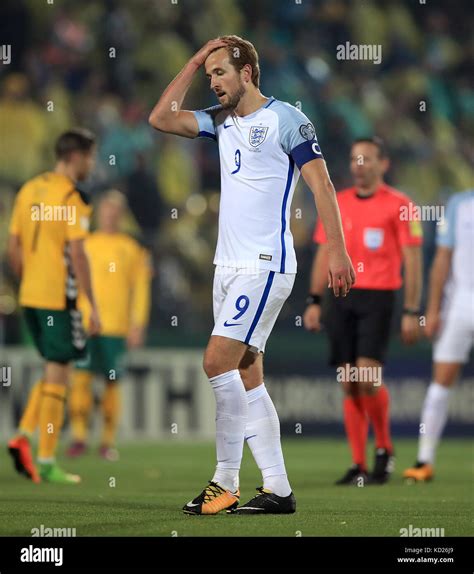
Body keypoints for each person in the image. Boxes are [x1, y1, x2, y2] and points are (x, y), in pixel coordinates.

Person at [149, 35, 355, 515]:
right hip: (228, 267)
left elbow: (322, 183)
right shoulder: (220, 123)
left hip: (264, 265)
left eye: (220, 73)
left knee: (216, 361)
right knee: (246, 373)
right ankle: (279, 490)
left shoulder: (287, 119)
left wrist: (339, 251)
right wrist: (196, 59)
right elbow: (160, 118)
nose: (213, 83)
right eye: (209, 76)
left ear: (247, 73)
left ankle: (224, 483)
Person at [304, 137, 423, 485]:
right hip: (341, 296)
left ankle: (384, 449)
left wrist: (412, 309)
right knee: (348, 382)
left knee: (366, 376)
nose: (360, 164)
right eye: (355, 158)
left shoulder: (401, 205)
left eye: (367, 158)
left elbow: (413, 261)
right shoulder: (336, 202)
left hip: (379, 297)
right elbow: (323, 253)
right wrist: (313, 300)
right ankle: (359, 464)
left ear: (383, 164)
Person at [7, 128, 100, 484]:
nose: (92, 164)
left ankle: (23, 437)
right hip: (59, 298)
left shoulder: (29, 189)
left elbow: (12, 247)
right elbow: (78, 252)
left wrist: (28, 282)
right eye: (91, 157)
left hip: (29, 295)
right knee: (60, 375)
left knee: (52, 370)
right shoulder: (72, 198)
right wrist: (91, 303)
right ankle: (44, 457)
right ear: (76, 156)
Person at [67, 190, 151, 461]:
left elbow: (140, 289)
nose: (111, 214)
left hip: (116, 326)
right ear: (99, 213)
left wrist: (138, 323)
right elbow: (73, 285)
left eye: (116, 210)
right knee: (80, 380)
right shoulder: (86, 244)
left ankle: (107, 441)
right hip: (86, 322)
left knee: (112, 383)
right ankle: (79, 437)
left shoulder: (131, 248)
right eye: (106, 209)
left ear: (121, 214)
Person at [404, 190, 474, 482]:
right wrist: (432, 310)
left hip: (460, 304)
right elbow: (443, 259)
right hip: (459, 304)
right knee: (441, 383)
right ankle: (424, 461)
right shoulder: (460, 204)